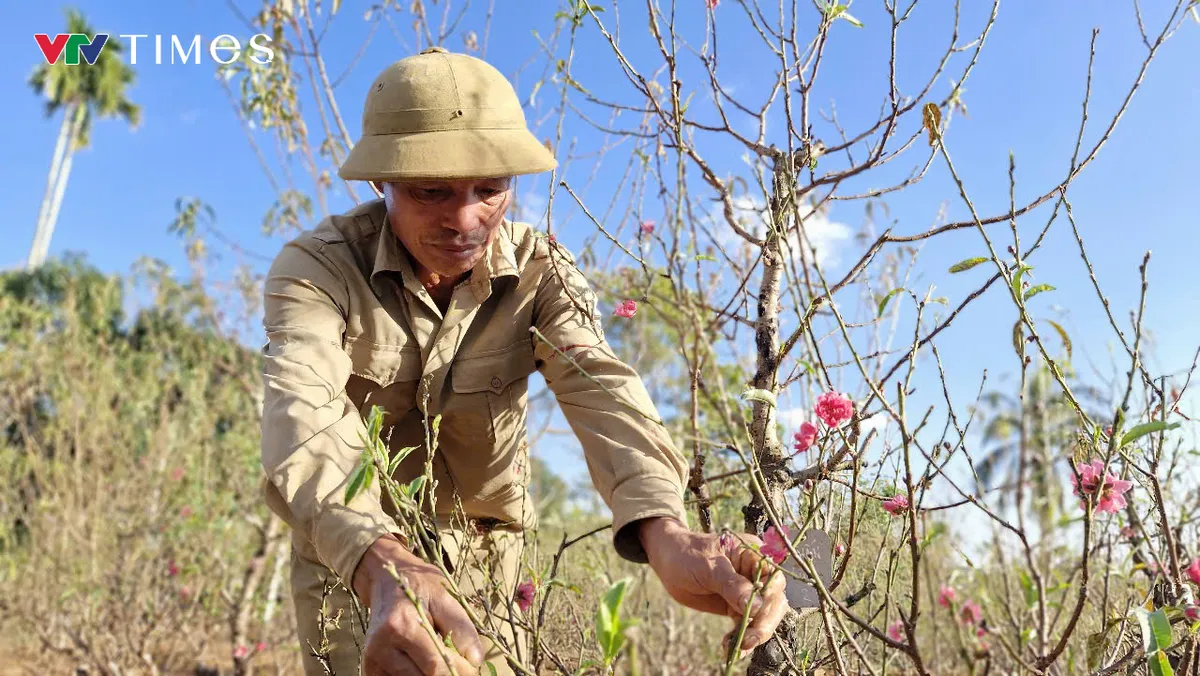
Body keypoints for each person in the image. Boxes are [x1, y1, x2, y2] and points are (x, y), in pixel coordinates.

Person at [258, 46, 788, 676]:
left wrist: (664, 531)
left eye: (490, 189)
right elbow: (304, 415)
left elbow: (601, 391)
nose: (466, 219)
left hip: (493, 568)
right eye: (431, 191)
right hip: (361, 569)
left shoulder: (543, 273)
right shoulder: (317, 269)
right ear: (381, 182)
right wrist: (383, 565)